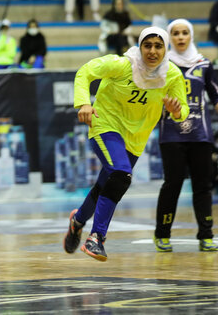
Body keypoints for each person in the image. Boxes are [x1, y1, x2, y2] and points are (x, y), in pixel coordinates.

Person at [63, 26, 189, 262]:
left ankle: (77, 221)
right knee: (121, 174)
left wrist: (176, 110)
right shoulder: (121, 64)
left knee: (105, 186)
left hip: (135, 140)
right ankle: (96, 238)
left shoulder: (172, 75)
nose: (152, 51)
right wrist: (83, 103)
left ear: (165, 49)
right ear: (140, 47)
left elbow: (183, 112)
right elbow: (85, 72)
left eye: (158, 46)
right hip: (105, 125)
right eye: (147, 45)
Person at [153, 19, 218, 253]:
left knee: (202, 186)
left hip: (201, 135)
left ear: (191, 36)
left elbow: (216, 95)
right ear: (170, 37)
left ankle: (206, 235)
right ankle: (162, 234)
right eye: (176, 33)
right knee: (172, 184)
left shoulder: (204, 64)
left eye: (184, 33)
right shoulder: (161, 64)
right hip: (171, 135)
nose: (180, 37)